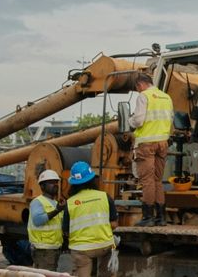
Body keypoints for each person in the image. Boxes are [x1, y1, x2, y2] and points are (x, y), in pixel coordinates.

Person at [129, 73, 174, 227]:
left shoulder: (144, 96)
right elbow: (171, 119)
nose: (138, 91)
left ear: (140, 85)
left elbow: (139, 120)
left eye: (137, 89)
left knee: (147, 181)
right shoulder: (166, 97)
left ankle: (148, 217)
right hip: (162, 143)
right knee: (157, 180)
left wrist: (130, 121)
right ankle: (161, 217)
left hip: (146, 144)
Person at [63, 161, 119, 277]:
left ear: (74, 183)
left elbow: (66, 231)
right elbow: (114, 224)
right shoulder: (105, 196)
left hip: (81, 249)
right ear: (92, 179)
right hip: (104, 245)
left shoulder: (70, 203)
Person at [27, 170, 65, 271]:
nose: (55, 185)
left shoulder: (55, 202)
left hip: (53, 248)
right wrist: (57, 210)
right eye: (51, 182)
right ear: (42, 186)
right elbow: (38, 220)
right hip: (43, 249)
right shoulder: (37, 202)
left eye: (56, 182)